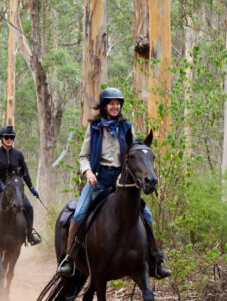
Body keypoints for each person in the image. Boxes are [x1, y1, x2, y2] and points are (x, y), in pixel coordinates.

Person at [57, 88, 171, 279]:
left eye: (118, 103)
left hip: (122, 182)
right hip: (98, 180)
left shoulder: (127, 127)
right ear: (104, 106)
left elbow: (134, 155)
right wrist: (88, 172)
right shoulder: (94, 128)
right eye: (111, 103)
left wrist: (128, 174)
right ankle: (69, 258)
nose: (115, 106)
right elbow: (83, 156)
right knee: (80, 212)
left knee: (147, 215)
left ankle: (156, 260)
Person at [0, 125, 43, 246]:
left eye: (11, 137)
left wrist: (32, 188)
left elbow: (25, 172)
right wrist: (2, 185)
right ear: (1, 138)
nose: (9, 139)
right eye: (7, 137)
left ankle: (29, 234)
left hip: (14, 187)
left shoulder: (18, 154)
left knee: (28, 207)